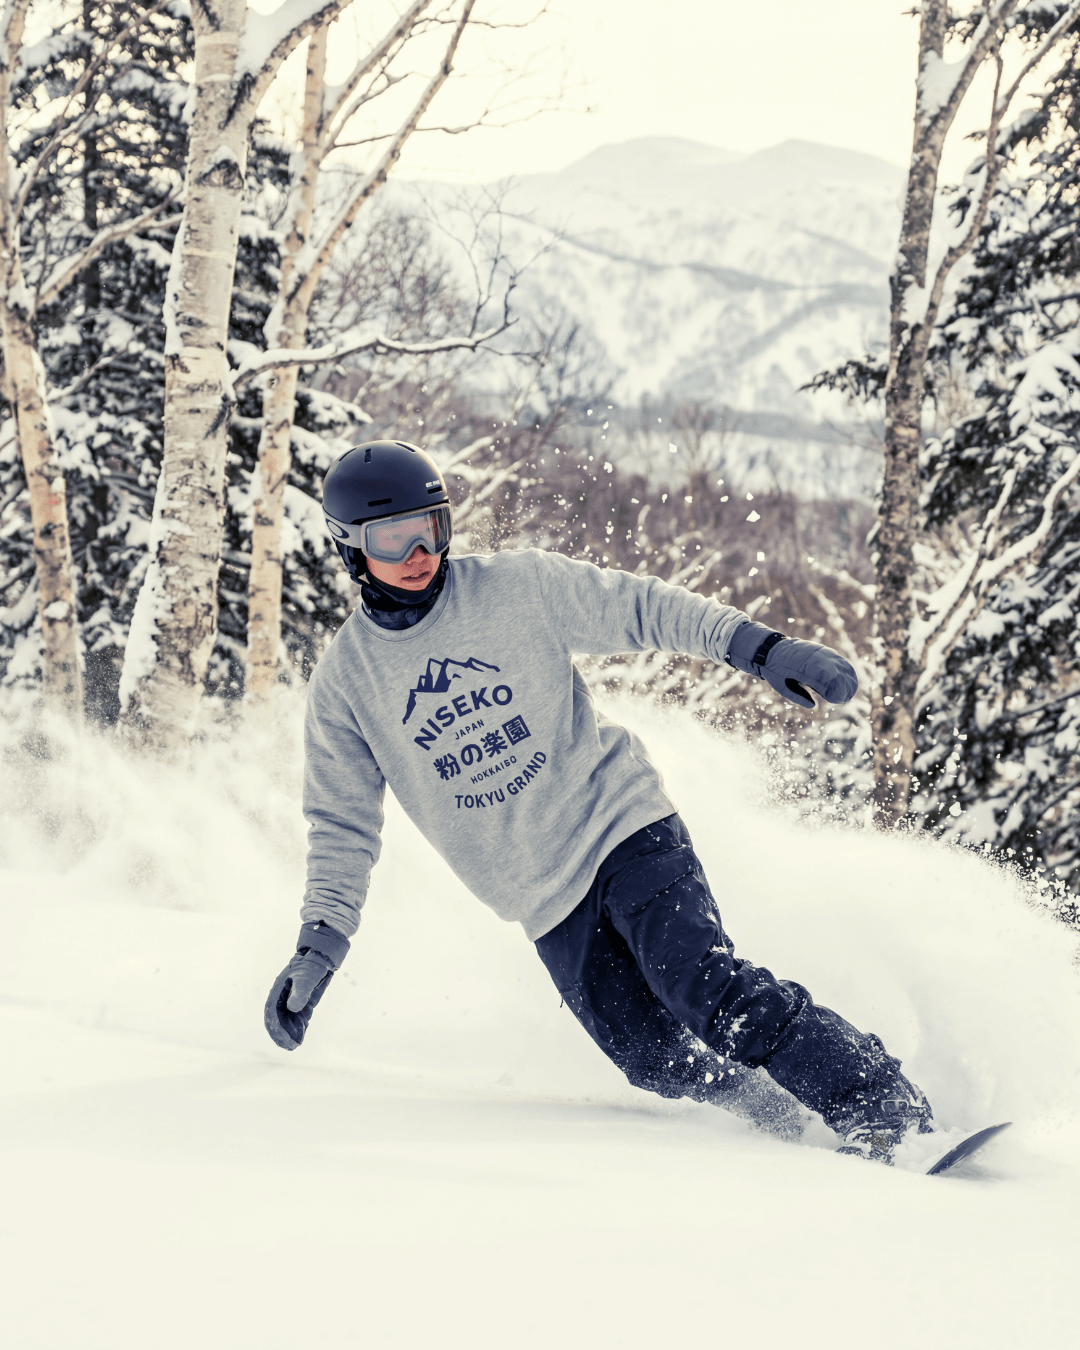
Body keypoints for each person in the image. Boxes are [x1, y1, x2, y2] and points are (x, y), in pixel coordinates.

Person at [264, 440, 933, 1164]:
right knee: (654, 1059)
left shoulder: (517, 588)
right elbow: (341, 823)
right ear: (351, 550)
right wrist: (320, 942)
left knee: (701, 986)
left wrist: (760, 649)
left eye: (431, 526)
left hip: (621, 823)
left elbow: (643, 607)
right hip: (543, 895)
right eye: (393, 539)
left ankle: (877, 1102)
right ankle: (780, 1118)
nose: (420, 551)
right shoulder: (346, 685)